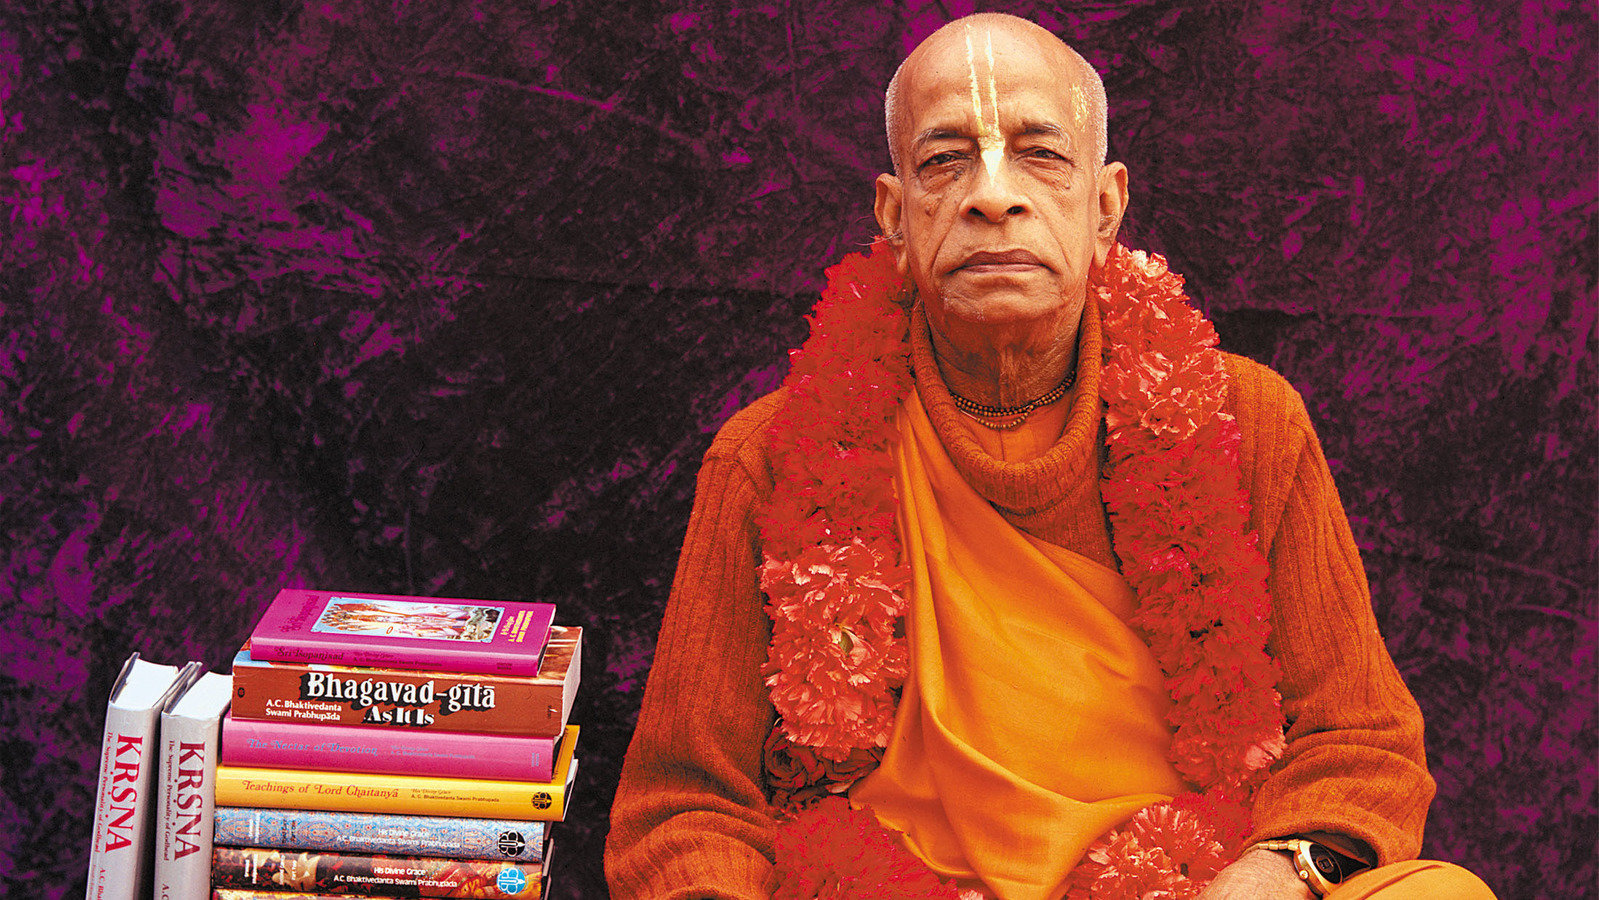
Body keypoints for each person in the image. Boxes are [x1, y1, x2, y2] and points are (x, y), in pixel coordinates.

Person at [606, 13, 1496, 900]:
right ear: (895, 217)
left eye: (1038, 154)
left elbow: (1359, 741)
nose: (992, 196)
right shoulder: (772, 456)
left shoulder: (1246, 420)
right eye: (945, 160)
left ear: (1103, 209)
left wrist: (1271, 874)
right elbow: (686, 804)